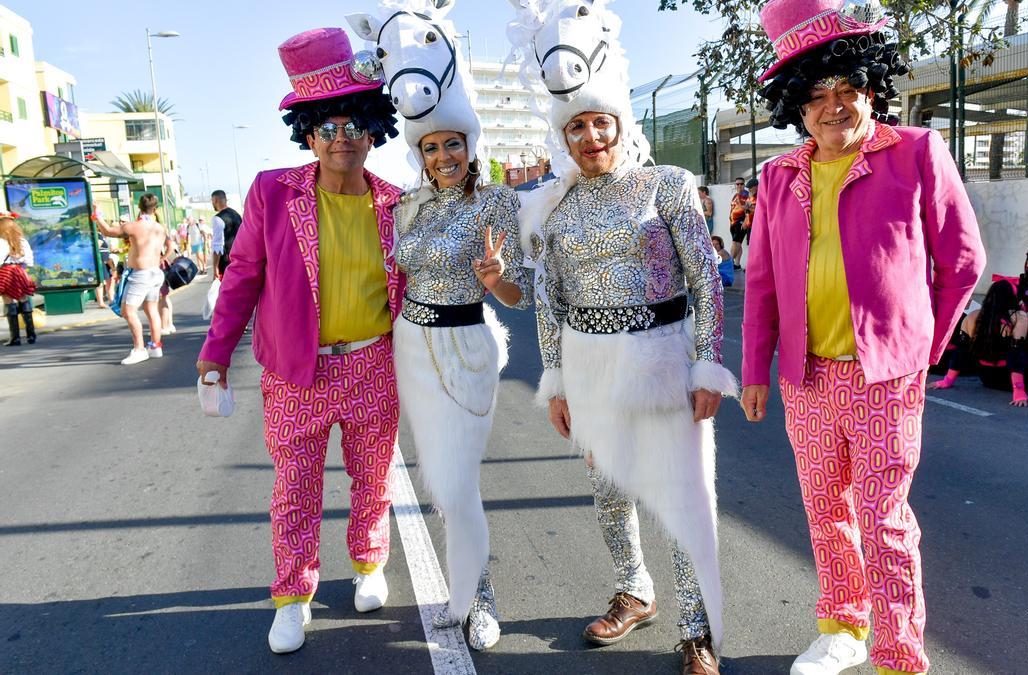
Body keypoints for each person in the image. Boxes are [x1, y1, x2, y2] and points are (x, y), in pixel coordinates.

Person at [743, 1, 986, 672]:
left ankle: (900, 652)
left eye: (847, 89)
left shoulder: (915, 153)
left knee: (884, 521)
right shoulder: (778, 175)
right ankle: (843, 628)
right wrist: (755, 371)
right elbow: (759, 279)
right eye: (817, 95)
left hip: (887, 378)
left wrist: (921, 346)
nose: (833, 106)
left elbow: (962, 258)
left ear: (870, 86)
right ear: (796, 104)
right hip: (806, 376)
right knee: (825, 511)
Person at [509, 5, 736, 670]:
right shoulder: (553, 206)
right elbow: (548, 303)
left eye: (599, 121)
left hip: (664, 360)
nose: (590, 135)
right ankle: (635, 592)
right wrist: (555, 381)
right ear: (564, 134)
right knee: (609, 495)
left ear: (619, 121)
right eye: (575, 125)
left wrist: (706, 364)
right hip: (589, 370)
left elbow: (706, 280)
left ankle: (698, 628)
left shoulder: (665, 185)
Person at [195, 27, 402, 654]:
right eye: (326, 126)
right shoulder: (271, 193)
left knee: (373, 480)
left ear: (372, 130)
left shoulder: (395, 203)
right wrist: (214, 355)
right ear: (307, 133)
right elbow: (241, 278)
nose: (341, 137)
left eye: (353, 124)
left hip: (373, 365)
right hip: (295, 372)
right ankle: (292, 595)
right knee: (294, 489)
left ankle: (369, 564)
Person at [361, 8, 530, 650]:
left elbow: (518, 297)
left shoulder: (497, 204)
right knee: (438, 475)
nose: (442, 155)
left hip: (468, 344)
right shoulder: (406, 208)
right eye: (430, 147)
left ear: (469, 144)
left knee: (460, 480)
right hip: (412, 344)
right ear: (419, 153)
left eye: (451, 144)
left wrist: (494, 282)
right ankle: (465, 589)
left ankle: (479, 597)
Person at [95, 194, 168, 365]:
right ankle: (155, 346)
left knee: (128, 311)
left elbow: (107, 231)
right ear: (155, 209)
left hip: (141, 274)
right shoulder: (160, 228)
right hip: (155, 273)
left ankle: (139, 349)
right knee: (151, 310)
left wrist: (97, 214)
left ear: (139, 207)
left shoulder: (134, 226)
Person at [0, 214, 36, 346]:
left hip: (5, 272)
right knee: (23, 299)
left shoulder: (0, 241)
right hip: (19, 271)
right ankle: (31, 335)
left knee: (9, 303)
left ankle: (15, 338)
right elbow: (29, 260)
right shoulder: (21, 240)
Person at [210, 189, 242, 278]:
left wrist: (215, 267)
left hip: (226, 264)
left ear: (215, 200)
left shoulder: (218, 219)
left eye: (212, 201)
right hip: (240, 260)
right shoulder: (236, 214)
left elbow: (218, 246)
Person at [728, 176, 749, 269]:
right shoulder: (735, 196)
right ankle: (737, 264)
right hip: (733, 222)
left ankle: (729, 262)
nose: (739, 186)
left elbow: (749, 209)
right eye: (738, 184)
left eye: (741, 184)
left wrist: (745, 221)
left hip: (741, 221)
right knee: (738, 243)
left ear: (744, 185)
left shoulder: (746, 195)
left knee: (735, 242)